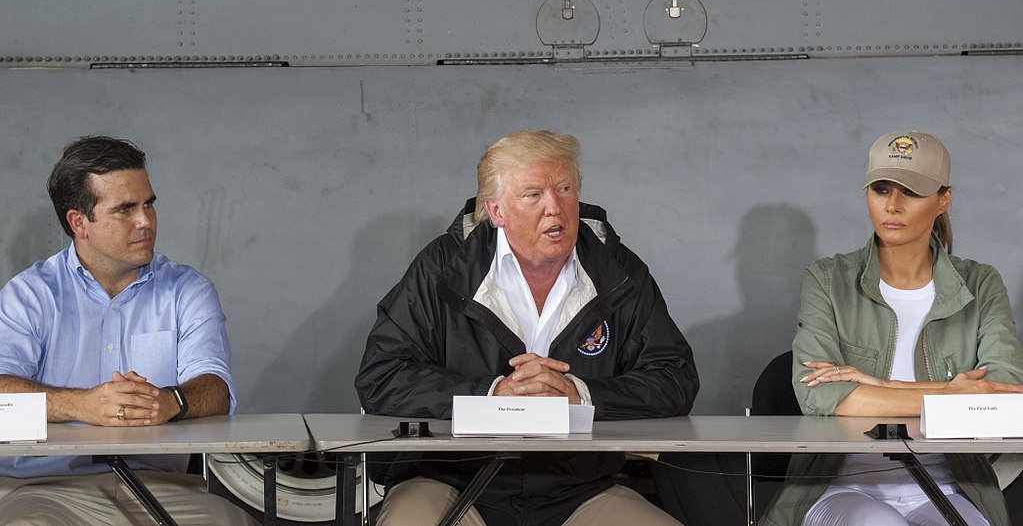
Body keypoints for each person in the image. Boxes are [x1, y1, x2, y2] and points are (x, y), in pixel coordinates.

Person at [355, 129, 698, 526]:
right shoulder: (443, 267)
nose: (554, 207)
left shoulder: (617, 270)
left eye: (565, 188)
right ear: (496, 211)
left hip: (578, 484)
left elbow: (675, 377)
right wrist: (491, 394)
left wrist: (581, 395)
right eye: (533, 195)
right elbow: (382, 375)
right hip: (449, 477)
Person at [761, 130, 1023, 526]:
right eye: (881, 189)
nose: (893, 206)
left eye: (912, 192)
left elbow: (1001, 397)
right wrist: (954, 394)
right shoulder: (828, 279)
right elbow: (821, 395)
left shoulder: (981, 283)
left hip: (951, 487)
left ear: (943, 200)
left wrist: (880, 387)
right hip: (841, 489)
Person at [0, 136, 256, 526]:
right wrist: (82, 405)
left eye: (148, 204)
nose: (145, 221)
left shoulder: (189, 290)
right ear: (79, 223)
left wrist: (170, 401)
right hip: (42, 489)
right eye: (125, 209)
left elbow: (216, 389)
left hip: (160, 487)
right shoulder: (29, 295)